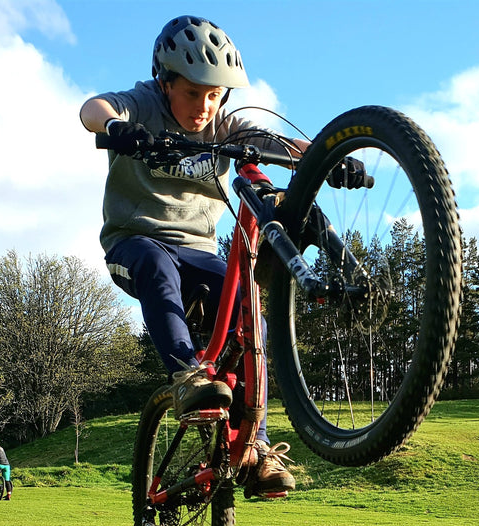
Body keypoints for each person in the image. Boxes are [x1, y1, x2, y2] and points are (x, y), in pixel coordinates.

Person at [79, 16, 364, 497]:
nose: (203, 106)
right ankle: (187, 375)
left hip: (198, 251)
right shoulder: (143, 103)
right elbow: (94, 107)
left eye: (214, 95)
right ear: (165, 82)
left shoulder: (223, 124)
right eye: (192, 93)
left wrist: (324, 157)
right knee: (156, 268)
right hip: (134, 241)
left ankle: (255, 447)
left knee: (250, 310)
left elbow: (275, 141)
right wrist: (115, 127)